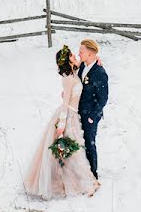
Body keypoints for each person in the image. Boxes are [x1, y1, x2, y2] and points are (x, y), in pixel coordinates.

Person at [23, 45, 100, 199]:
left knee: (75, 151)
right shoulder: (68, 78)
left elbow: (85, 63)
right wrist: (62, 125)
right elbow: (65, 104)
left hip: (74, 114)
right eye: (72, 55)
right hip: (68, 115)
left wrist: (98, 60)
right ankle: (74, 182)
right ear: (67, 60)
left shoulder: (74, 72)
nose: (75, 56)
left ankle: (81, 179)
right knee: (73, 151)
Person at [77, 39, 109, 180]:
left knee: (90, 143)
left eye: (81, 52)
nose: (79, 54)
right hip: (78, 111)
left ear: (90, 54)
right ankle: (82, 172)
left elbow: (103, 98)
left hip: (90, 114)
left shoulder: (100, 73)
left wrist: (92, 116)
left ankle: (93, 174)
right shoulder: (83, 66)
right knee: (80, 142)